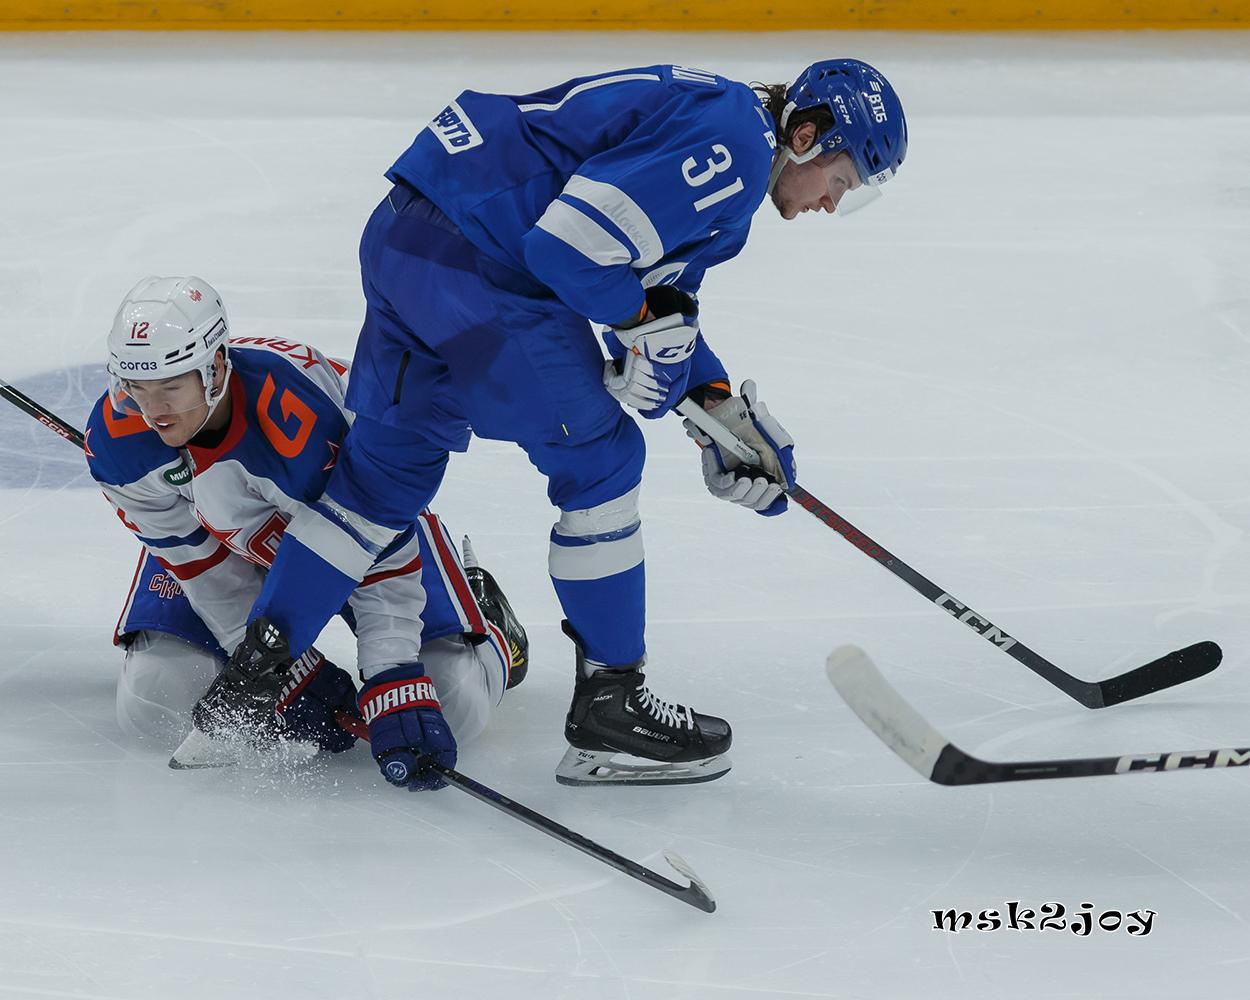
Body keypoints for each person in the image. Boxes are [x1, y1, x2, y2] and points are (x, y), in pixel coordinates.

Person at [236, 59, 908, 787]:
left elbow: (651, 290)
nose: (830, 204)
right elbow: (567, 251)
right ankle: (611, 711)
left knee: (381, 478)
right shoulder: (738, 150)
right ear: (806, 136)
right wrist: (645, 323)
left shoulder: (720, 123)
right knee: (602, 461)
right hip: (479, 260)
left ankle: (248, 687)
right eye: (840, 181)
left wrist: (719, 409)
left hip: (410, 238)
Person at [86, 276, 528, 784]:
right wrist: (279, 667)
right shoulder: (119, 440)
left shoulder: (297, 422)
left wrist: (391, 672)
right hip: (229, 541)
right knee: (154, 704)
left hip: (370, 546)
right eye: (137, 387)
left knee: (453, 706)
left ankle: (490, 627)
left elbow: (374, 541)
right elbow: (198, 562)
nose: (152, 410)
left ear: (215, 369)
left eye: (170, 386)